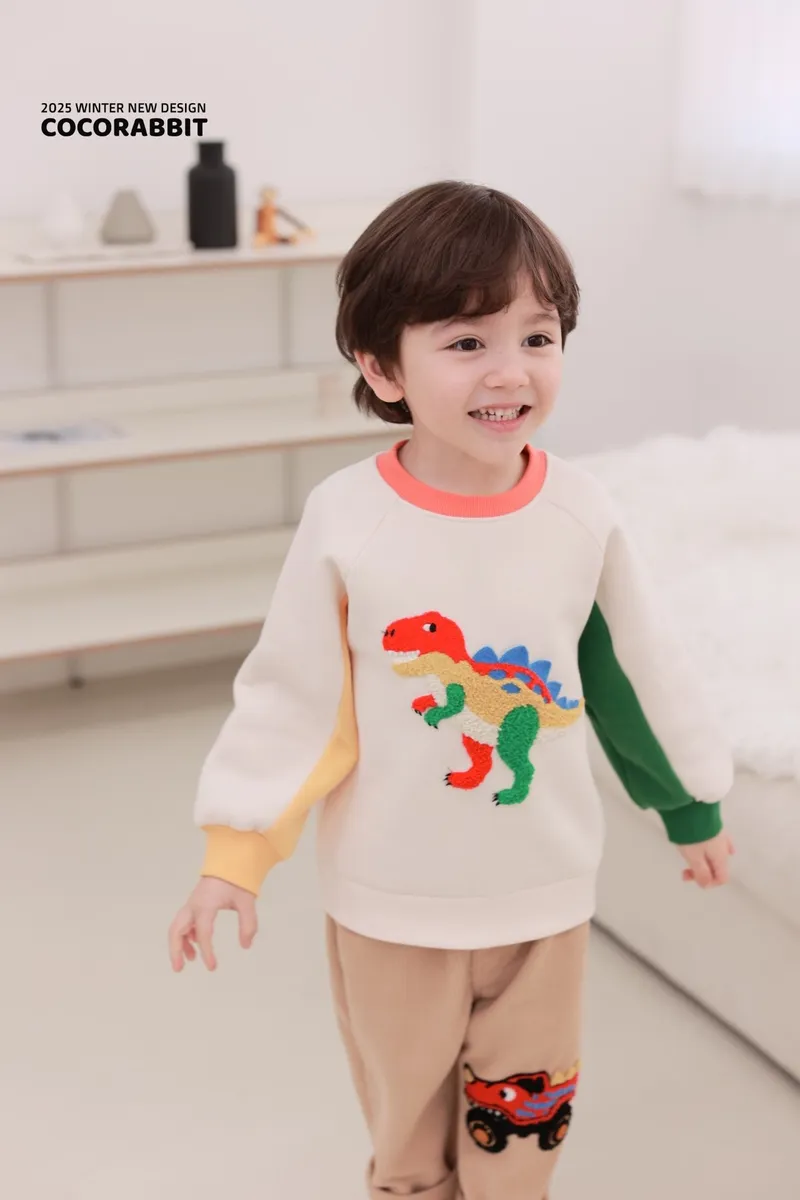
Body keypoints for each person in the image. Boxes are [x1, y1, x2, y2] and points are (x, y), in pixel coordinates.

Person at [168, 180, 735, 1199]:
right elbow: (297, 700)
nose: (509, 370)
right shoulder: (347, 519)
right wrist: (237, 854)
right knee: (406, 1139)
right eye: (467, 341)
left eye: (537, 336)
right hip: (390, 908)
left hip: (542, 901)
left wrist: (688, 804)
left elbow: (630, 673)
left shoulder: (580, 513)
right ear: (382, 366)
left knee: (523, 1123)